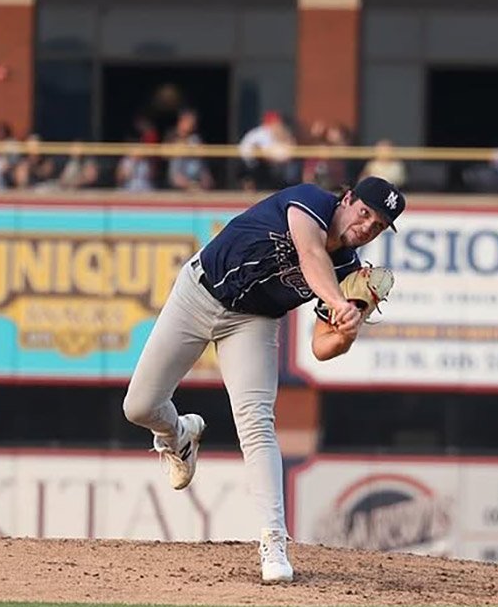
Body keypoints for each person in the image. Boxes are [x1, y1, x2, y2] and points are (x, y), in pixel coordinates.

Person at [122, 176, 407, 582]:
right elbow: (309, 254)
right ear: (347, 199)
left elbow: (321, 348)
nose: (366, 227)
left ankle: (274, 542)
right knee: (138, 407)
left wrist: (350, 325)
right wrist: (339, 302)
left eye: (377, 225)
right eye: (364, 213)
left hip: (252, 324)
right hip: (198, 293)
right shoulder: (309, 201)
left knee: (257, 425)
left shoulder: (349, 270)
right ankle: (178, 434)